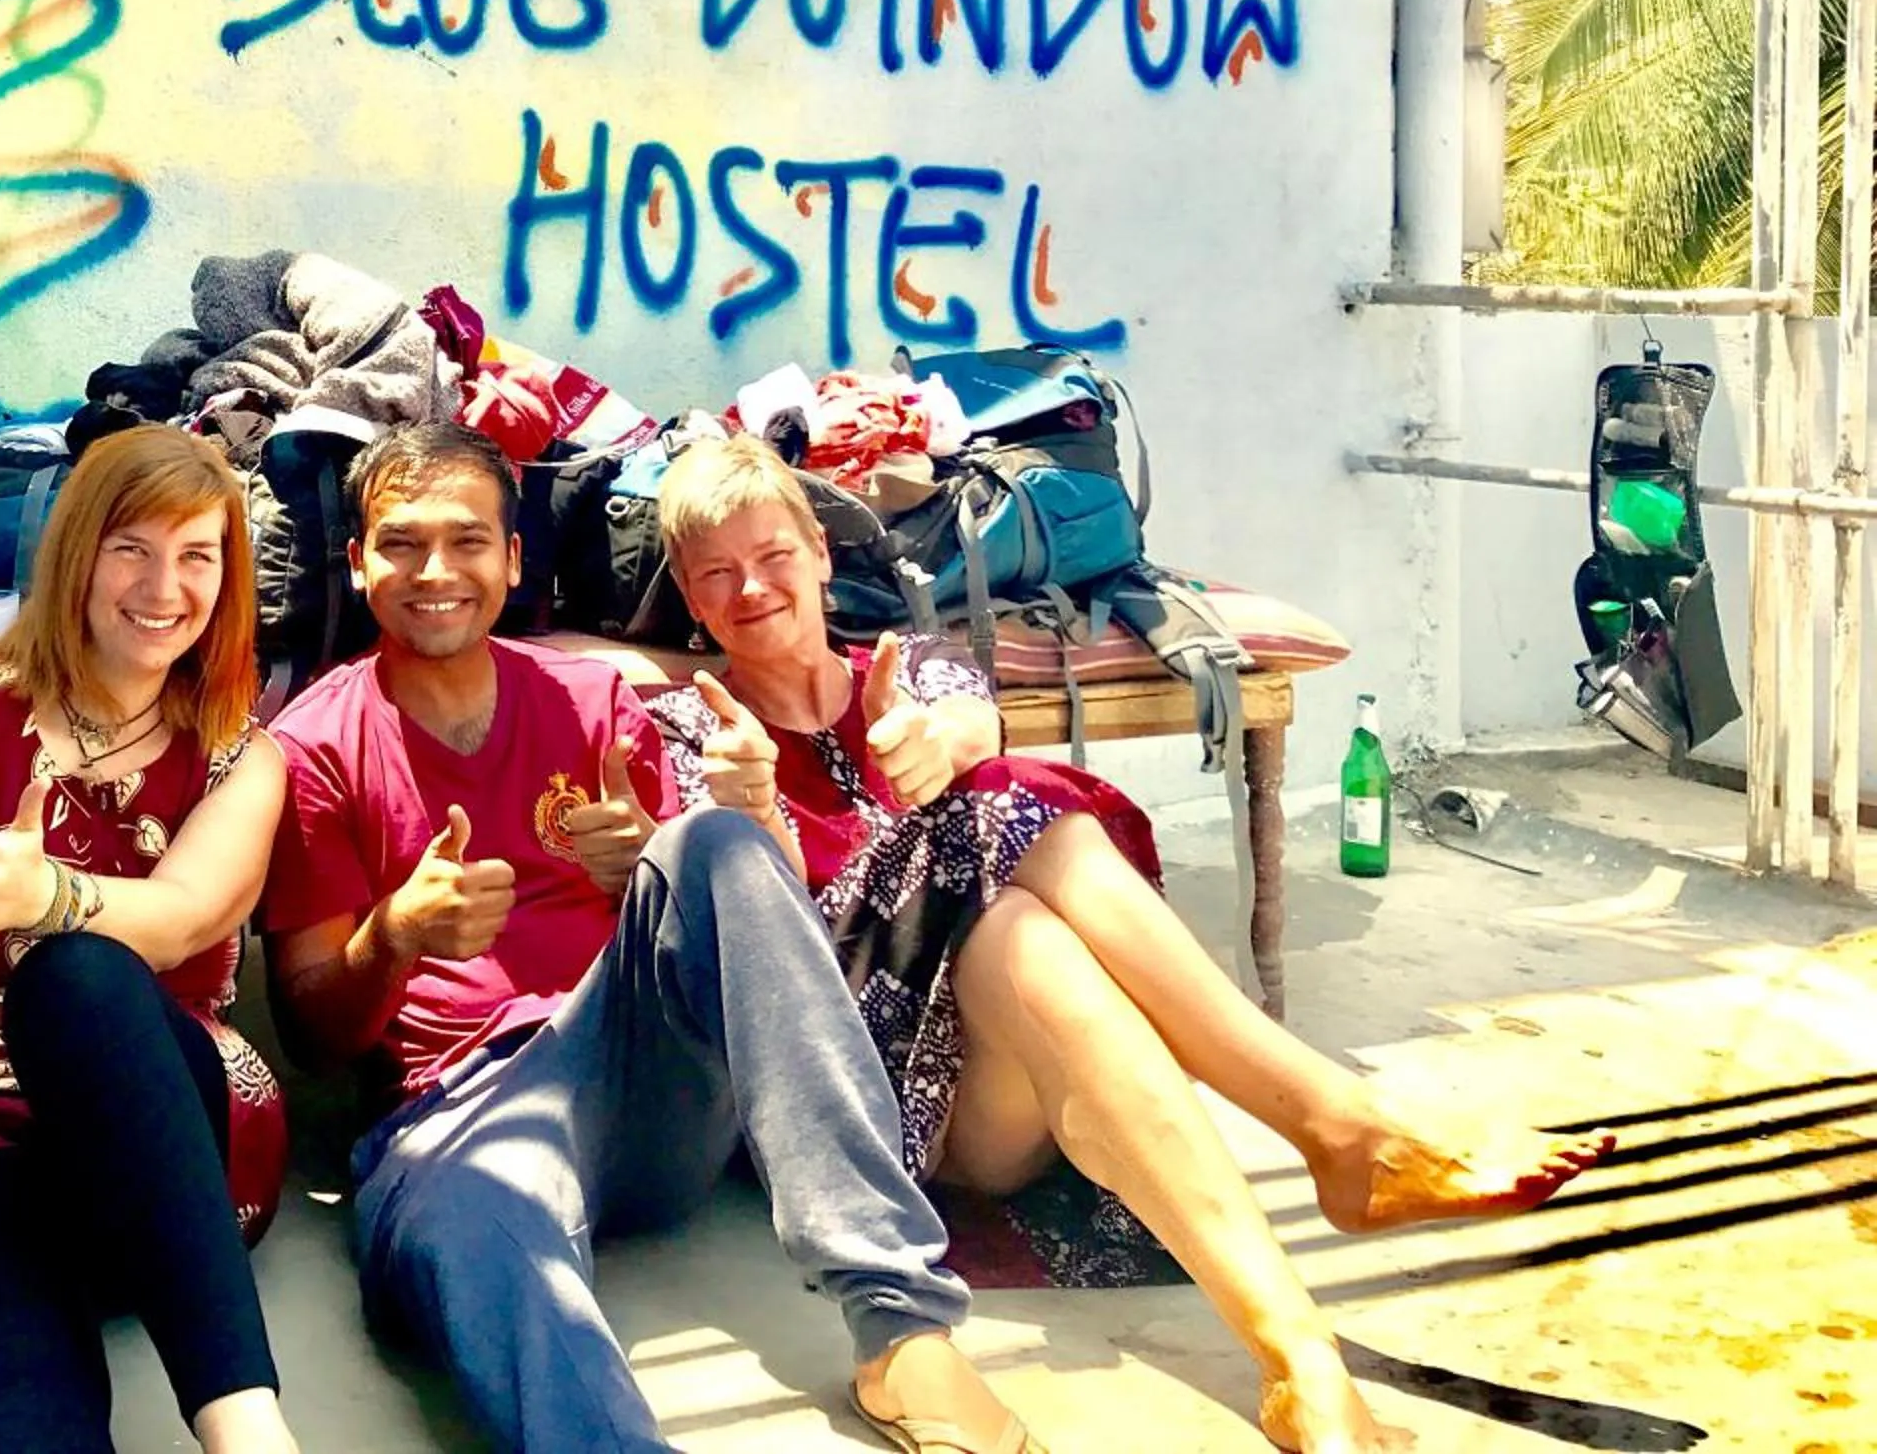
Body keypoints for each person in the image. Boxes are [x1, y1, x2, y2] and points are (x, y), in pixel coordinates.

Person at [648, 434, 1617, 1454]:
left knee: (1022, 921)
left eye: (772, 556)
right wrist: (753, 811)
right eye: (717, 573)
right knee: (999, 815)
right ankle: (1337, 1125)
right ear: (693, 599)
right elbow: (749, 957)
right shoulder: (687, 729)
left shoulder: (917, 667)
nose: (751, 587)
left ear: (819, 553)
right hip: (864, 1119)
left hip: (994, 1094)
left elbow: (971, 730)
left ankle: (1303, 1364)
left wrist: (940, 745)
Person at [260, 421, 1045, 1454]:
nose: (435, 571)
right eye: (401, 544)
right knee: (462, 1230)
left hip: (649, 1085)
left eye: (467, 541)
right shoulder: (312, 746)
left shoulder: (594, 705)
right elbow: (313, 1033)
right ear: (360, 564)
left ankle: (902, 1329)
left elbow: (714, 931)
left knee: (714, 844)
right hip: (460, 1111)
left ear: (514, 560)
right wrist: (394, 937)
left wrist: (641, 872)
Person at [0, 425, 299, 1454]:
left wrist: (42, 894)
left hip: (158, 1126)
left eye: (197, 555)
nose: (165, 586)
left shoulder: (243, 759)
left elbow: (176, 923)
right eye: (132, 547)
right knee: (19, 1390)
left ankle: (248, 1432)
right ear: (76, 554)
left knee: (76, 975)